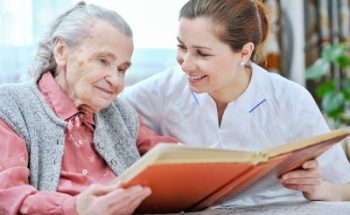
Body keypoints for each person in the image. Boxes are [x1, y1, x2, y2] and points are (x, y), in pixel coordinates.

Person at [121, 0, 350, 206]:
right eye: (182, 47)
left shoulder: (290, 100)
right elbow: (106, 110)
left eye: (202, 53)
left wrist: (321, 189)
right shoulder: (165, 89)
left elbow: (345, 187)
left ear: (244, 53)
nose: (186, 64)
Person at [0, 2, 178, 215]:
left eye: (122, 69)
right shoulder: (10, 106)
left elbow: (171, 157)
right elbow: (9, 197)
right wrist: (76, 208)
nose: (115, 80)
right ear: (61, 51)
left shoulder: (120, 113)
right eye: (103, 61)